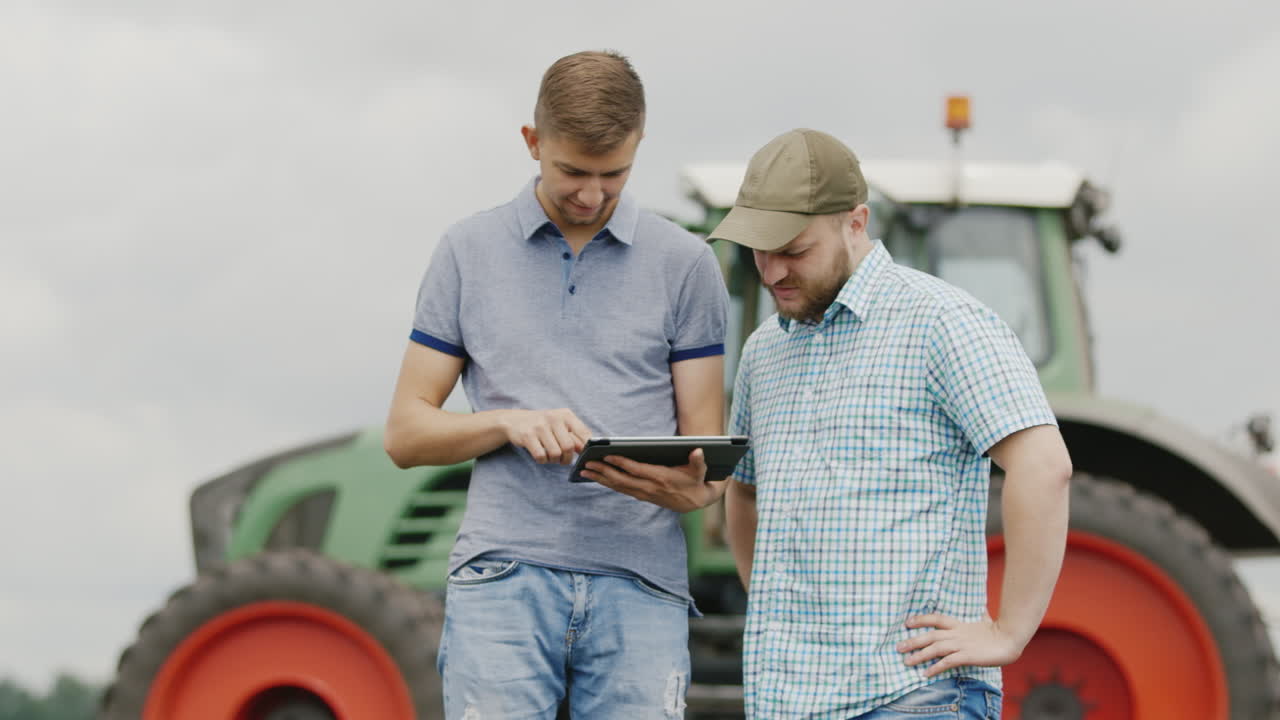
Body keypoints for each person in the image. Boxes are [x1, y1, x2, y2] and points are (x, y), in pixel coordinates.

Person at [383, 50, 730, 719]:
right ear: (532, 141)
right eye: (573, 171)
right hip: (502, 578)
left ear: (639, 145)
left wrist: (694, 490)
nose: (592, 195)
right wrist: (508, 423)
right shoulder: (466, 251)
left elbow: (705, 460)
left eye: (614, 174)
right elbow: (405, 433)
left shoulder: (687, 264)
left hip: (641, 582)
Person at [711, 129, 1073, 719]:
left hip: (911, 695)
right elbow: (745, 491)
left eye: (794, 250)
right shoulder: (763, 352)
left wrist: (1008, 633)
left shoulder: (943, 322)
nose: (772, 271)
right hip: (788, 701)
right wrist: (775, 609)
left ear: (856, 223)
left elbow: (1044, 466)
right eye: (759, 251)